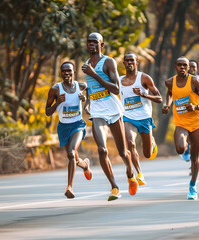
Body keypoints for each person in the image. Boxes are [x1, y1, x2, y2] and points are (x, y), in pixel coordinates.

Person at [81, 32, 137, 201]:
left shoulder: (108, 62)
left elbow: (116, 89)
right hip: (97, 111)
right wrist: (88, 102)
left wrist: (94, 74)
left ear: (101, 45)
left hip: (113, 109)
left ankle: (130, 172)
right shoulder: (85, 64)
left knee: (122, 151)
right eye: (89, 42)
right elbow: (91, 88)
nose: (91, 44)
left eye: (94, 42)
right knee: (102, 149)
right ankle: (114, 187)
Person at [161, 56, 199, 200]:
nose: (182, 68)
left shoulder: (194, 81)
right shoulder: (170, 82)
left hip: (195, 122)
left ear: (189, 67)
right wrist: (167, 104)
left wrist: (197, 106)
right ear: (175, 67)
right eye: (179, 65)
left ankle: (193, 186)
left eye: (185, 65)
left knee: (195, 158)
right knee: (179, 148)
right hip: (181, 122)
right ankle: (185, 147)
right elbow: (170, 93)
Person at [45, 61, 92, 199]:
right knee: (74, 158)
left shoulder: (80, 86)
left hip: (78, 125)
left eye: (69, 71)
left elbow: (89, 89)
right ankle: (85, 165)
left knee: (71, 153)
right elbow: (47, 112)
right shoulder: (55, 89)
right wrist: (57, 102)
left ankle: (69, 187)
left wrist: (86, 102)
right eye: (64, 71)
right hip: (63, 127)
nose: (66, 73)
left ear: (74, 72)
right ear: (61, 73)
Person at [120, 52, 162, 186]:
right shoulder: (119, 81)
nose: (129, 63)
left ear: (137, 62)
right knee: (130, 143)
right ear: (124, 63)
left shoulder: (144, 78)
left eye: (132, 60)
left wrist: (144, 94)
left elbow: (159, 98)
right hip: (127, 117)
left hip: (144, 117)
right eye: (127, 60)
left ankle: (152, 142)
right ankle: (139, 173)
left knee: (148, 154)